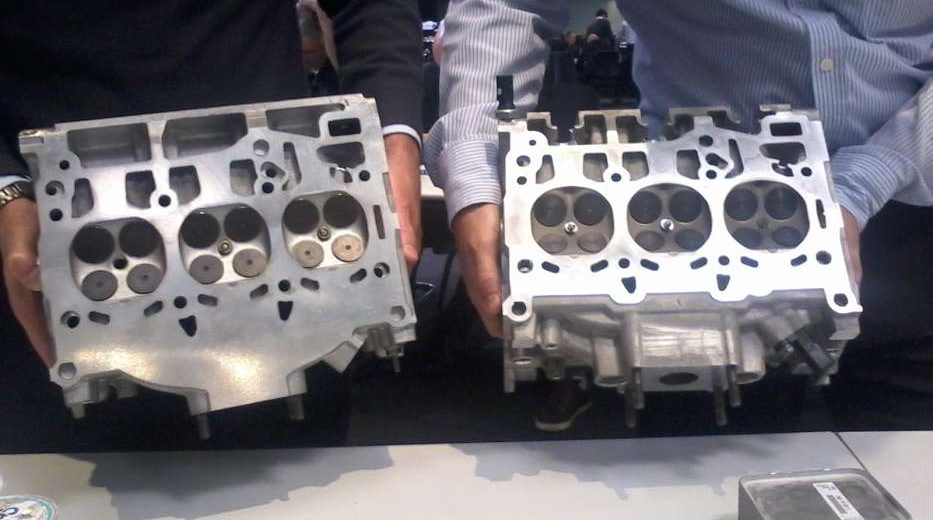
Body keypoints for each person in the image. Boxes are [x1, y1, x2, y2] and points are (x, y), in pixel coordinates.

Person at [425, 0, 932, 431]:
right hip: (688, 230)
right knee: (700, 477)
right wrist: (475, 168)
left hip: (913, 207)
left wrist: (869, 177)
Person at [0, 0, 423, 448]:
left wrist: (394, 142)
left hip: (299, 273)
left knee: (301, 465)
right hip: (49, 262)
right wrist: (7, 188)